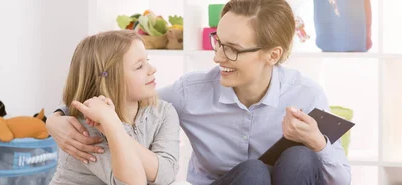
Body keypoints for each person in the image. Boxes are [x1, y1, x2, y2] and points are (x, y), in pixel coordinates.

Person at [47, 0, 351, 184]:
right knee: (253, 173)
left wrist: (318, 143)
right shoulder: (191, 92)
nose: (217, 57)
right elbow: (117, 90)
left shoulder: (307, 94)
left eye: (232, 50)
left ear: (272, 55)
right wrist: (58, 118)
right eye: (218, 41)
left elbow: (341, 181)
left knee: (301, 157)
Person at [49, 30, 182, 185]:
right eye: (139, 66)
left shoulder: (163, 112)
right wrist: (111, 124)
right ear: (110, 79)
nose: (152, 69)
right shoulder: (85, 124)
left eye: (147, 60)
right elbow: (132, 182)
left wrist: (113, 127)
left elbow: (166, 175)